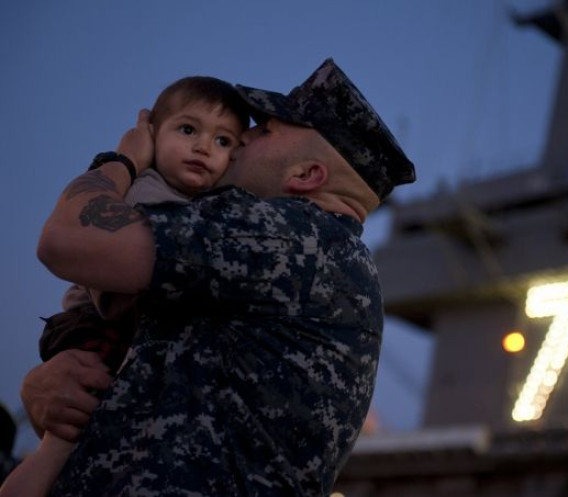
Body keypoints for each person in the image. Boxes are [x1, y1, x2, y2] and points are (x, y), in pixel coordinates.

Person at [23, 58, 415, 496]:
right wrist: (56, 385)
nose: (242, 137)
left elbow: (66, 239)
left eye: (263, 132)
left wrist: (124, 158)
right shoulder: (315, 253)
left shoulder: (288, 235)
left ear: (306, 175)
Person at [0, 76, 250, 497]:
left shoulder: (201, 206)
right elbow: (138, 285)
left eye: (223, 141)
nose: (204, 148)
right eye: (188, 130)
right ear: (152, 134)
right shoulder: (147, 191)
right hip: (94, 327)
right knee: (68, 431)